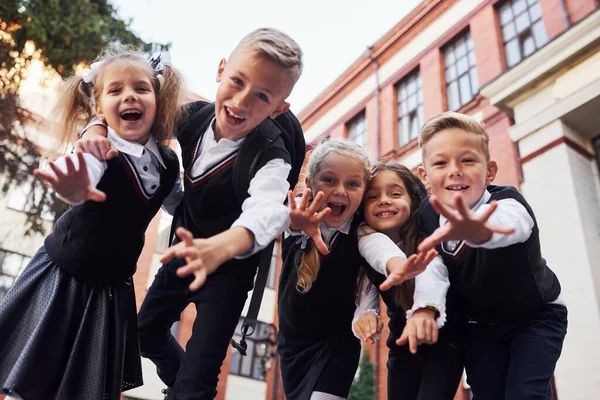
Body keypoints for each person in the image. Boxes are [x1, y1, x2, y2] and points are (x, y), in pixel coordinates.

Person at [79, 28, 304, 400]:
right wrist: (96, 125)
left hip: (228, 273)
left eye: (262, 96)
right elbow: (129, 114)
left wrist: (223, 246)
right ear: (220, 70)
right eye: (237, 81)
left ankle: (189, 390)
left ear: (278, 108)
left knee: (198, 380)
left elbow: (267, 211)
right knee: (145, 334)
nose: (242, 101)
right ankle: (182, 386)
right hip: (184, 256)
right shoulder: (190, 118)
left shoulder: (271, 154)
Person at [0, 45, 184, 400]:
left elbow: (180, 204)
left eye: (140, 88)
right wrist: (76, 187)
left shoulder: (167, 162)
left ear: (157, 100)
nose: (129, 95)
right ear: (99, 107)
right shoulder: (100, 147)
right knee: (33, 378)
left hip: (110, 290)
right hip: (64, 278)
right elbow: (84, 173)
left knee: (86, 388)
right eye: (116, 90)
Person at [416, 111, 567, 400]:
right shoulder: (428, 216)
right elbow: (433, 269)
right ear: (425, 176)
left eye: (467, 160)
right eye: (440, 163)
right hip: (483, 327)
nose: (454, 170)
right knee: (487, 393)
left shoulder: (507, 203)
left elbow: (514, 226)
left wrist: (480, 232)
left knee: (525, 393)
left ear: (490, 170)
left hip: (536, 315)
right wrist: (425, 307)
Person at [276, 139, 436, 400]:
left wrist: (399, 266)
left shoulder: (359, 231)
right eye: (329, 180)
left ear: (362, 192)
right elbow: (268, 224)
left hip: (336, 343)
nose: (340, 190)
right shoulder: (295, 215)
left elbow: (378, 249)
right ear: (310, 183)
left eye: (352, 184)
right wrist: (291, 223)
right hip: (293, 343)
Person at [353, 162, 466, 400]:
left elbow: (431, 270)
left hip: (443, 340)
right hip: (401, 343)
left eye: (395, 194)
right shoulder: (365, 241)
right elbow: (368, 278)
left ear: (414, 200)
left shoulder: (426, 238)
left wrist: (425, 309)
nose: (384, 200)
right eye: (372, 197)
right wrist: (366, 312)